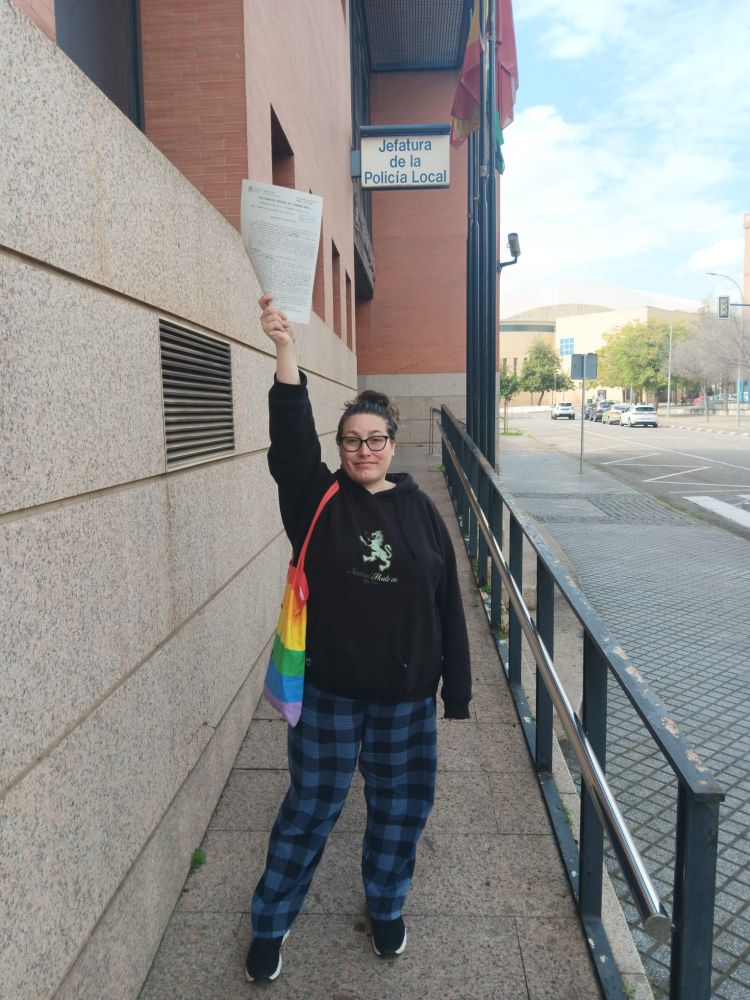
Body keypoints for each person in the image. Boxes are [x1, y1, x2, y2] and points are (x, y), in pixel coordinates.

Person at [246, 293, 472, 984]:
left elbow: (447, 603)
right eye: (351, 440)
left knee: (402, 811)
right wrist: (286, 350)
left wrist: (454, 690)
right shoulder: (315, 497)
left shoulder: (422, 512)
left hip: (405, 700)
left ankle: (386, 907)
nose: (364, 449)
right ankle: (271, 920)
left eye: (375, 439)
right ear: (339, 448)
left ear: (393, 445)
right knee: (310, 809)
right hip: (329, 694)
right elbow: (289, 440)